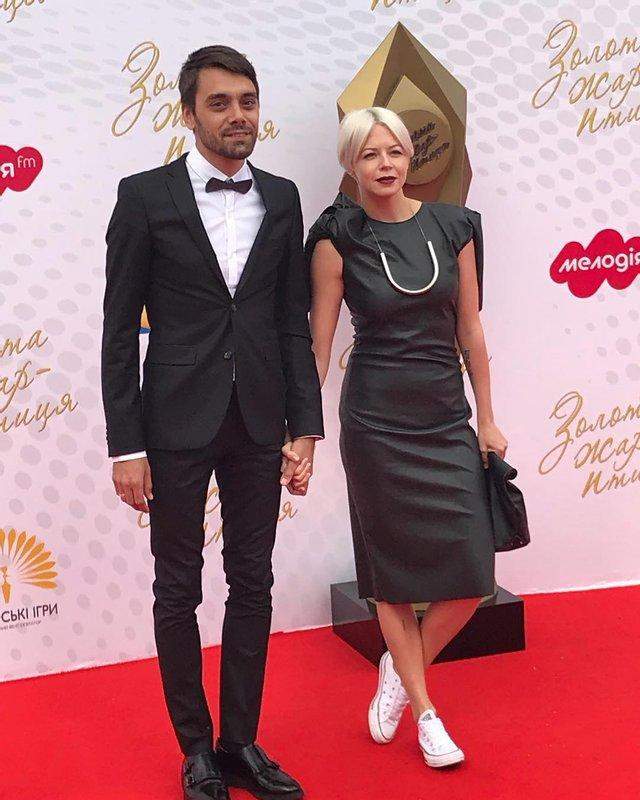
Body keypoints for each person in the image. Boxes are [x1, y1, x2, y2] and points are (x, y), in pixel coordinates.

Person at [101, 45, 323, 800]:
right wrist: (126, 445)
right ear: (189, 112)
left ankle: (241, 743)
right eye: (220, 102)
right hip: (172, 423)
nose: (238, 116)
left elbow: (291, 321)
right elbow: (116, 330)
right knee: (178, 588)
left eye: (248, 102)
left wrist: (305, 425)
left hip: (260, 418)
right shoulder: (144, 196)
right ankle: (195, 750)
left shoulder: (284, 198)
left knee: (253, 582)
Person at [304, 107, 508, 770]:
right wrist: (302, 429)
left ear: (409, 156)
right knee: (390, 579)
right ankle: (426, 715)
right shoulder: (336, 238)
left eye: (394, 150)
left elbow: (470, 330)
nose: (385, 164)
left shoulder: (454, 226)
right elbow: (319, 346)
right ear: (351, 165)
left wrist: (487, 418)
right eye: (369, 155)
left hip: (446, 418)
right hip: (375, 424)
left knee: (471, 577)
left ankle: (399, 662)